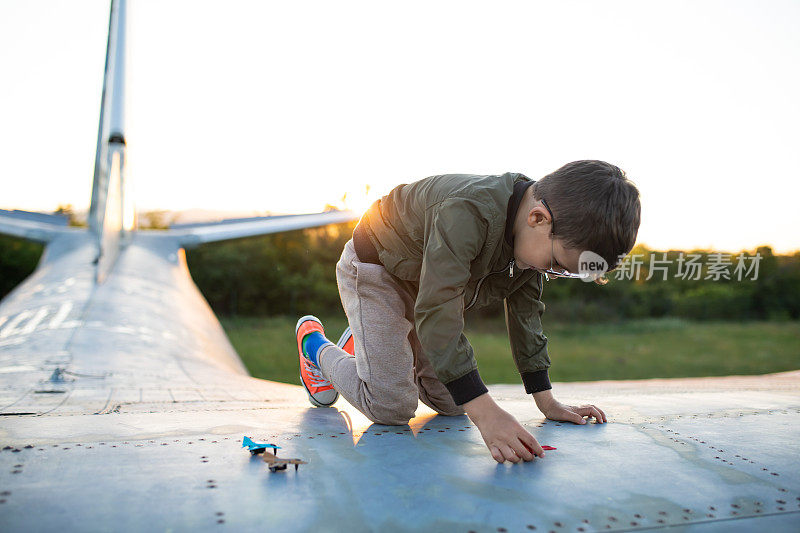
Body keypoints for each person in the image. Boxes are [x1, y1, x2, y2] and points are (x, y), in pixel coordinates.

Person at [294, 160, 641, 463]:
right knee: (392, 406)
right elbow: (438, 310)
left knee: (454, 403)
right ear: (538, 218)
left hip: (425, 290)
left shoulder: (531, 237)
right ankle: (315, 347)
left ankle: (373, 345)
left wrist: (547, 402)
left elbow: (526, 319)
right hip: (377, 268)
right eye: (556, 265)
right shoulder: (467, 211)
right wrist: (488, 415)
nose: (551, 273)